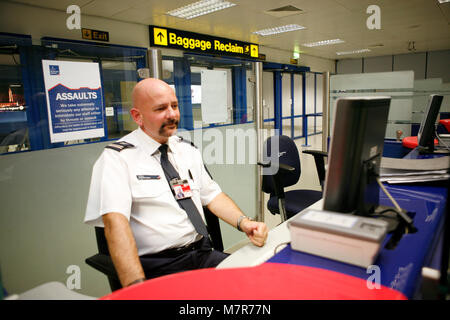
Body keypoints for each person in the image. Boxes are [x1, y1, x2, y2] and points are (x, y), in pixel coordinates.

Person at [84, 78, 268, 288]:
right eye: (161, 108)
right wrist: (136, 287)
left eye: (174, 106)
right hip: (158, 268)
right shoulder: (117, 159)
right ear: (137, 116)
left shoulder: (186, 150)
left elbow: (213, 196)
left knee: (258, 286)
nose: (172, 114)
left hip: (202, 255)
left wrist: (245, 223)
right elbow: (116, 227)